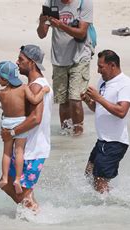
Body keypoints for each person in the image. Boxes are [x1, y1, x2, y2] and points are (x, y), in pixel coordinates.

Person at [0, 45, 54, 212]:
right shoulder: (32, 85)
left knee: (17, 188)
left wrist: (12, 133)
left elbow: (36, 118)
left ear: (32, 63)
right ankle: (31, 217)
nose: (17, 63)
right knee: (9, 184)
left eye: (21, 60)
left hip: (33, 149)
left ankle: (35, 215)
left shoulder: (36, 86)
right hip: (27, 147)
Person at [37, 0, 94, 136]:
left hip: (80, 56)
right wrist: (42, 22)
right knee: (62, 101)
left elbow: (81, 33)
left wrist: (61, 25)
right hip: (59, 58)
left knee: (75, 98)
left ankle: (78, 134)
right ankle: (66, 134)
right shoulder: (50, 2)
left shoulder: (84, 3)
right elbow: (41, 34)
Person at [81, 50, 130, 193]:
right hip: (102, 140)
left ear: (112, 65)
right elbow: (98, 108)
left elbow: (121, 112)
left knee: (99, 180)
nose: (98, 70)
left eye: (101, 66)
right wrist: (88, 101)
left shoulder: (125, 84)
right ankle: (104, 201)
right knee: (89, 174)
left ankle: (106, 207)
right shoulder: (103, 81)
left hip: (115, 142)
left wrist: (98, 98)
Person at [0, 61, 50, 193]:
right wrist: (43, 90)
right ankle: (18, 180)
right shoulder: (24, 88)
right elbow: (35, 100)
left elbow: (5, 106)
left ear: (4, 78)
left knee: (7, 153)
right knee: (19, 151)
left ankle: (4, 178)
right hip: (19, 122)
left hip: (6, 123)